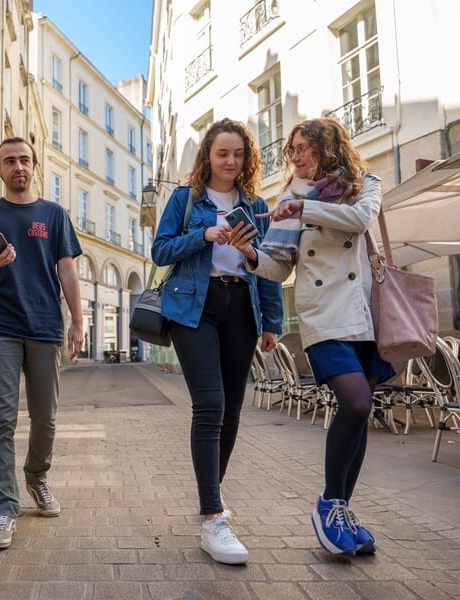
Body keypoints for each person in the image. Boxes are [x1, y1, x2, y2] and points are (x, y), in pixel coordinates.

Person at [231, 117, 395, 556]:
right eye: (292, 150)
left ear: (328, 147)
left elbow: (360, 221)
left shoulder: (365, 185)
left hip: (363, 313)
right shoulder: (290, 197)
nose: (295, 157)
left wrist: (303, 209)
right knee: (356, 402)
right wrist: (249, 252)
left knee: (361, 414)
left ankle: (342, 508)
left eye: (303, 148)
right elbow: (278, 266)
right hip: (324, 317)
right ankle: (327, 504)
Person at [151, 118, 284, 565]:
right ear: (207, 155)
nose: (231, 160)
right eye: (222, 153)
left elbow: (267, 266)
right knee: (209, 405)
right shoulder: (185, 200)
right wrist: (204, 234)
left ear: (246, 158)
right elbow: (160, 250)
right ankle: (212, 516)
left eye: (238, 154)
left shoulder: (256, 204)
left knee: (232, 410)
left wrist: (272, 322)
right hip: (194, 308)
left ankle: (213, 495)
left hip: (241, 308)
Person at [0, 137, 83, 550]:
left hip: (46, 326)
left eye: (25, 160)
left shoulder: (54, 215)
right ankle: (4, 506)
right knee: (0, 420)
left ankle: (36, 477)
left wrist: (78, 322)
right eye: (9, 161)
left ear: (35, 167)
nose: (18, 167)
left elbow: (67, 270)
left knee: (45, 417)